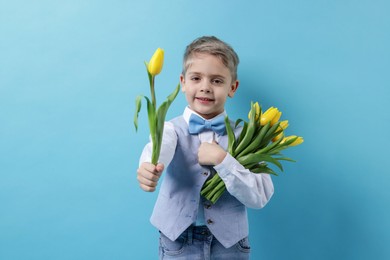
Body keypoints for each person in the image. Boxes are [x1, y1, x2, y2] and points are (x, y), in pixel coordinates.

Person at [137, 36, 274, 259]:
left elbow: (259, 196)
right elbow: (159, 148)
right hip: (178, 240)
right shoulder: (171, 129)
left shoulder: (248, 137)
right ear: (183, 82)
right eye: (196, 78)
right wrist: (147, 166)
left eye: (217, 81)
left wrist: (223, 160)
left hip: (230, 245)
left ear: (233, 87)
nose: (205, 87)